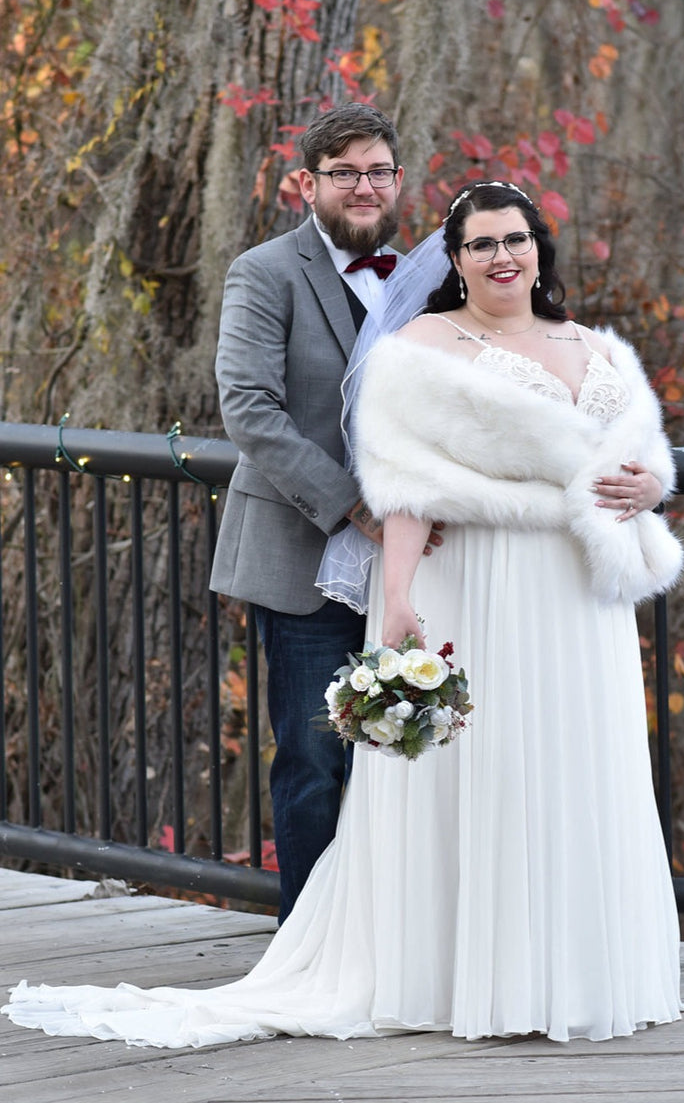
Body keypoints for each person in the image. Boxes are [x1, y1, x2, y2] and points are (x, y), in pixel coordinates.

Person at [2, 180, 684, 1046]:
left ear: (540, 247)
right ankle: (471, 973)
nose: (503, 256)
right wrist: (396, 596)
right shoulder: (422, 346)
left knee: (572, 759)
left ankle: (578, 969)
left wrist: (654, 482)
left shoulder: (595, 346)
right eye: (482, 244)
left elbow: (642, 457)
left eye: (516, 239)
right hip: (478, 579)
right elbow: (403, 487)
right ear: (456, 258)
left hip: (581, 597)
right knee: (487, 764)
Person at [208, 102, 420, 923]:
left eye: (377, 171)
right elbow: (250, 410)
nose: (363, 187)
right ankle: (311, 945)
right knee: (311, 757)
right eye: (344, 172)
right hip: (304, 555)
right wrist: (354, 508)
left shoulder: (427, 279)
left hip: (416, 558)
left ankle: (394, 936)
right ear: (309, 183)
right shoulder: (265, 271)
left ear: (397, 181)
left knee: (408, 750)